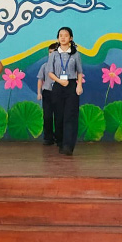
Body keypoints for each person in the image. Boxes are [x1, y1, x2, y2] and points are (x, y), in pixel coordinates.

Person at [46, 27, 84, 156]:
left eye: (66, 35)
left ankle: (68, 145)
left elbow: (79, 71)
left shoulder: (75, 54)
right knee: (59, 116)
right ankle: (61, 142)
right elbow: (49, 72)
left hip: (71, 85)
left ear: (71, 38)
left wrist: (79, 85)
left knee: (70, 116)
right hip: (58, 86)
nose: (63, 38)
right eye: (60, 35)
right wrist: (59, 81)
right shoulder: (54, 54)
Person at [37, 42, 59, 146]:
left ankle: (59, 137)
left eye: (54, 53)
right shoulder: (44, 66)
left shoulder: (62, 67)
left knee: (59, 116)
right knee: (47, 116)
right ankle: (48, 137)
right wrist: (39, 92)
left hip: (59, 93)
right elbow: (40, 79)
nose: (51, 55)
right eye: (50, 53)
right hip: (47, 93)